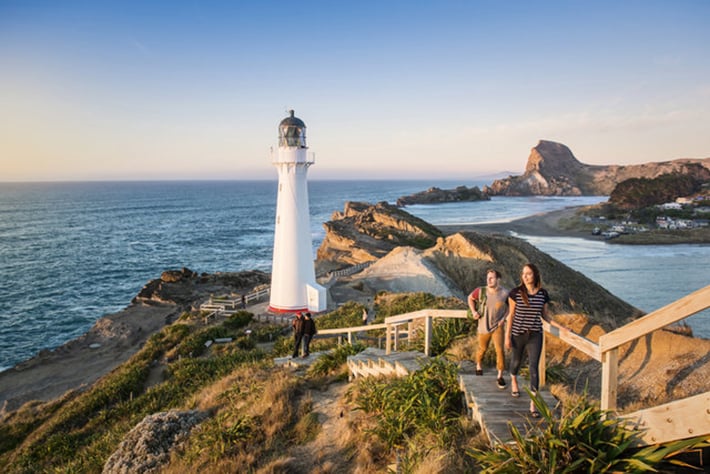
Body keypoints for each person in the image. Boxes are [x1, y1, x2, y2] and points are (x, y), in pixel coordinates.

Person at [504, 263, 562, 418]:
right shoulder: (515, 293)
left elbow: (546, 316)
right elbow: (510, 316)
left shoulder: (543, 294)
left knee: (534, 367)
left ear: (535, 275)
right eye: (523, 273)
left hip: (535, 334)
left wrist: (562, 327)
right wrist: (507, 337)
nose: (525, 276)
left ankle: (533, 404)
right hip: (518, 334)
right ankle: (514, 379)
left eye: (528, 273)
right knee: (516, 362)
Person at [467, 269, 509, 388]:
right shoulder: (481, 291)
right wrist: (474, 311)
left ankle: (500, 375)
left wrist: (503, 319)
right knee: (482, 349)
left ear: (498, 279)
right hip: (483, 326)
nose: (489, 280)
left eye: (492, 278)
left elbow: (511, 307)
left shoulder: (505, 293)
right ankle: (479, 365)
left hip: (498, 327)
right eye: (488, 278)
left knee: (500, 351)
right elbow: (470, 298)